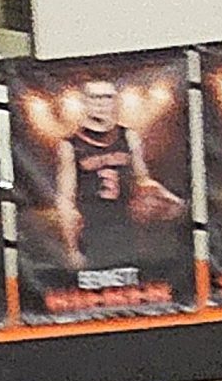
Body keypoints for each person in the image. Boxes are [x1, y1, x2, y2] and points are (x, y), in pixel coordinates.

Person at [56, 79, 184, 277]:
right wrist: (71, 249)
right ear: (84, 102)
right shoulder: (71, 145)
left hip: (127, 229)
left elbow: (143, 180)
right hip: (92, 232)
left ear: (115, 101)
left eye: (107, 97)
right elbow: (66, 199)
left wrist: (170, 199)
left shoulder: (128, 136)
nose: (101, 103)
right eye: (95, 97)